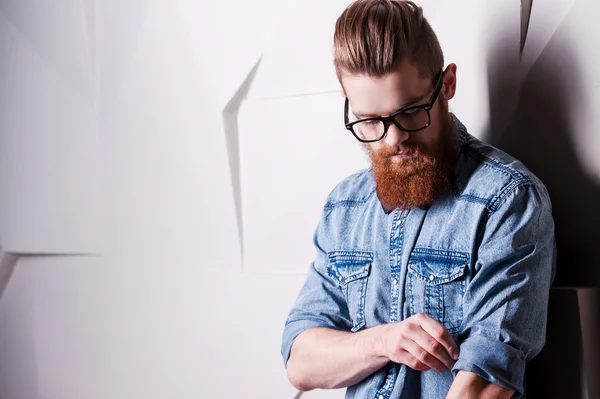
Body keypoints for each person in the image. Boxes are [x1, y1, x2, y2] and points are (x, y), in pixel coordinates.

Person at [280, 1, 557, 398]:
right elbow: (302, 362)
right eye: (370, 120)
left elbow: (483, 382)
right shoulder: (344, 207)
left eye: (409, 112)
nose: (392, 139)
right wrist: (383, 341)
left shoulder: (507, 201)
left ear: (446, 84)